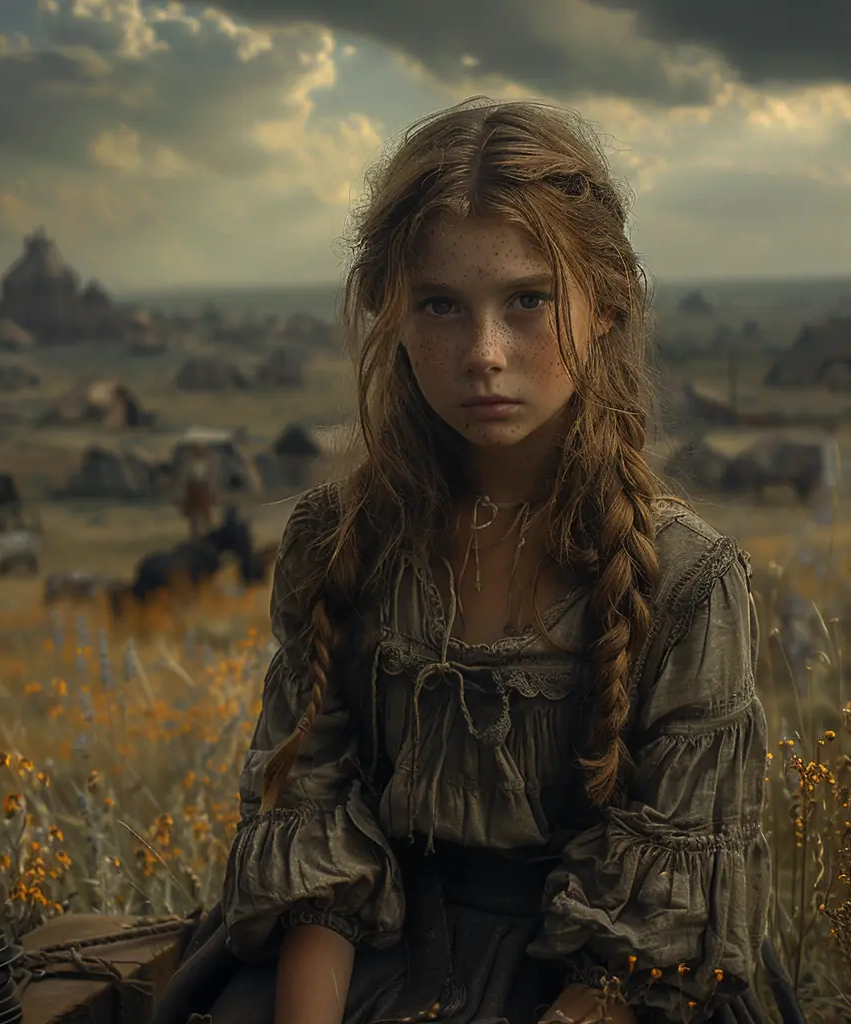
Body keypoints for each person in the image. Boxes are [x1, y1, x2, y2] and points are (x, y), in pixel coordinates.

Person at [151, 97, 779, 1024]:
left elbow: (659, 932)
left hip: (615, 993)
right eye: (440, 305)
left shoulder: (687, 582)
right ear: (391, 317)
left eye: (527, 301)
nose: (484, 354)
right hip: (377, 959)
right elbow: (318, 836)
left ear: (602, 305)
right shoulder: (342, 541)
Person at [180, 440, 217, 539]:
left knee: (207, 516)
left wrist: (212, 493)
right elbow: (184, 479)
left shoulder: (208, 462)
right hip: (193, 491)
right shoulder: (189, 463)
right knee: (194, 517)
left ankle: (208, 537)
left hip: (204, 491)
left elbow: (212, 479)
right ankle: (195, 537)